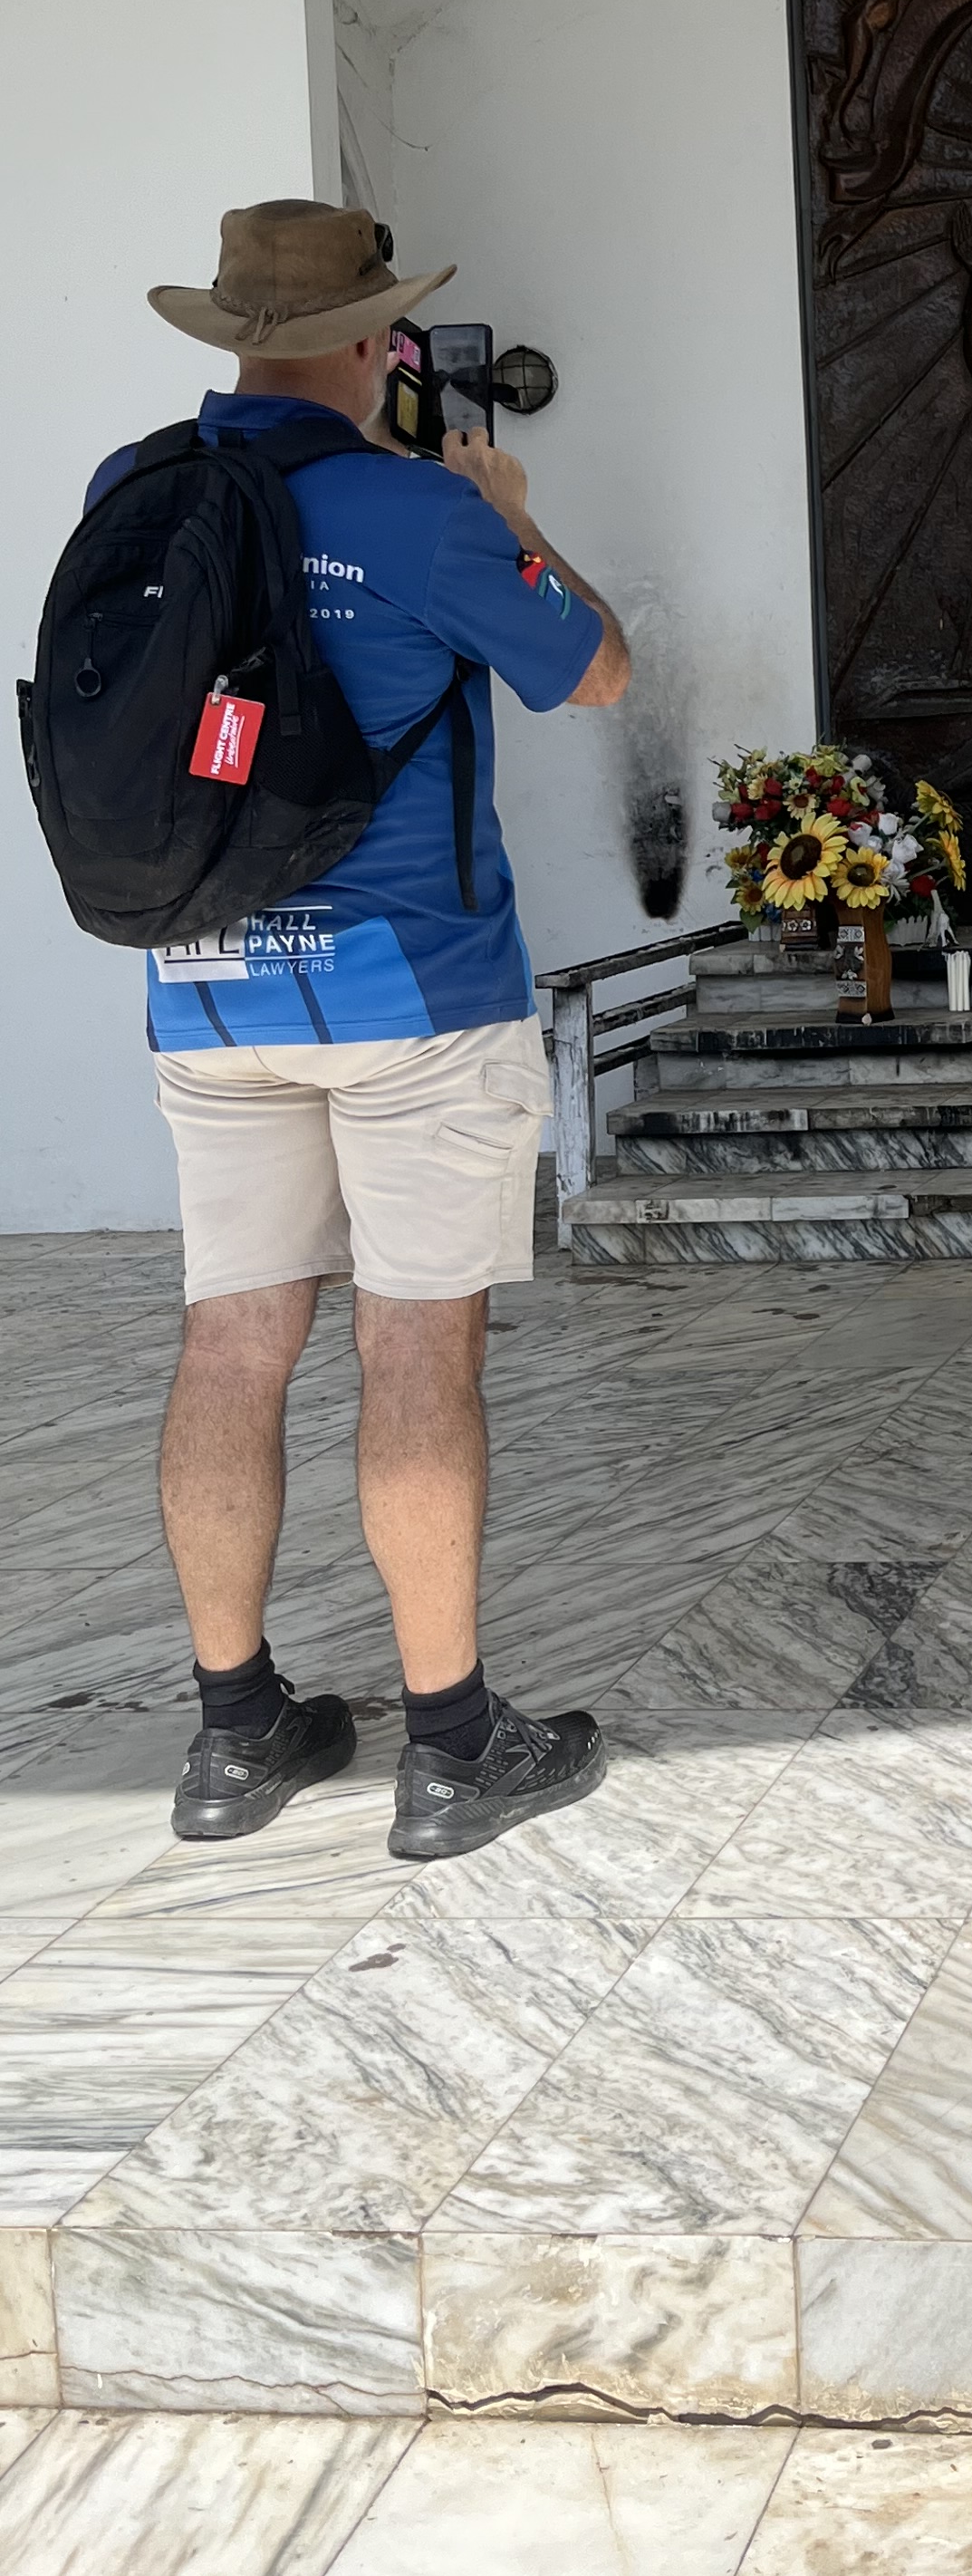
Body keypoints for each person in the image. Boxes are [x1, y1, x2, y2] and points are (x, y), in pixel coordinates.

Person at [91, 200, 632, 1855]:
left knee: (231, 1345)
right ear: (369, 343)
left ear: (233, 338)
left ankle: (234, 1731)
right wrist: (512, 517)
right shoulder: (417, 510)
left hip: (205, 984)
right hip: (411, 995)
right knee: (413, 1349)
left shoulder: (134, 490)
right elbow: (598, 670)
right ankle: (453, 1747)